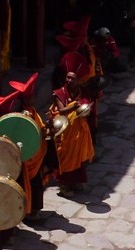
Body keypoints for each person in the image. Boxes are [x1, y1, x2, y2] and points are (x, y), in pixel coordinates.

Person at [50, 68, 95, 198]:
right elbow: (62, 110)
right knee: (66, 156)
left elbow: (88, 104)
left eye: (72, 78)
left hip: (79, 129)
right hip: (65, 130)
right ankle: (64, 185)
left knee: (78, 156)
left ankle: (75, 182)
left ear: (78, 80)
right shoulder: (59, 93)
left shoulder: (82, 92)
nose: (69, 80)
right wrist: (74, 106)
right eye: (67, 77)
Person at [9, 73, 48, 220]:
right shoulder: (22, 115)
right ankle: (29, 212)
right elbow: (25, 134)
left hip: (35, 154)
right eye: (31, 96)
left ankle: (35, 209)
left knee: (36, 184)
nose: (33, 98)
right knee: (30, 186)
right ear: (25, 98)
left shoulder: (32, 111)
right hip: (27, 157)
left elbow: (38, 127)